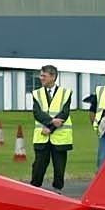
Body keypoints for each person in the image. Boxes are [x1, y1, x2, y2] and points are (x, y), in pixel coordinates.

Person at [30, 64, 73, 192]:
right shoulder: (37, 93)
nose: (41, 78)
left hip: (60, 138)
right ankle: (34, 191)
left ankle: (57, 192)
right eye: (41, 75)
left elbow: (64, 113)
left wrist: (50, 128)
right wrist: (51, 122)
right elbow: (37, 113)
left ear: (53, 77)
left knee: (59, 168)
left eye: (44, 75)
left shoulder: (66, 93)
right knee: (38, 167)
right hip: (42, 138)